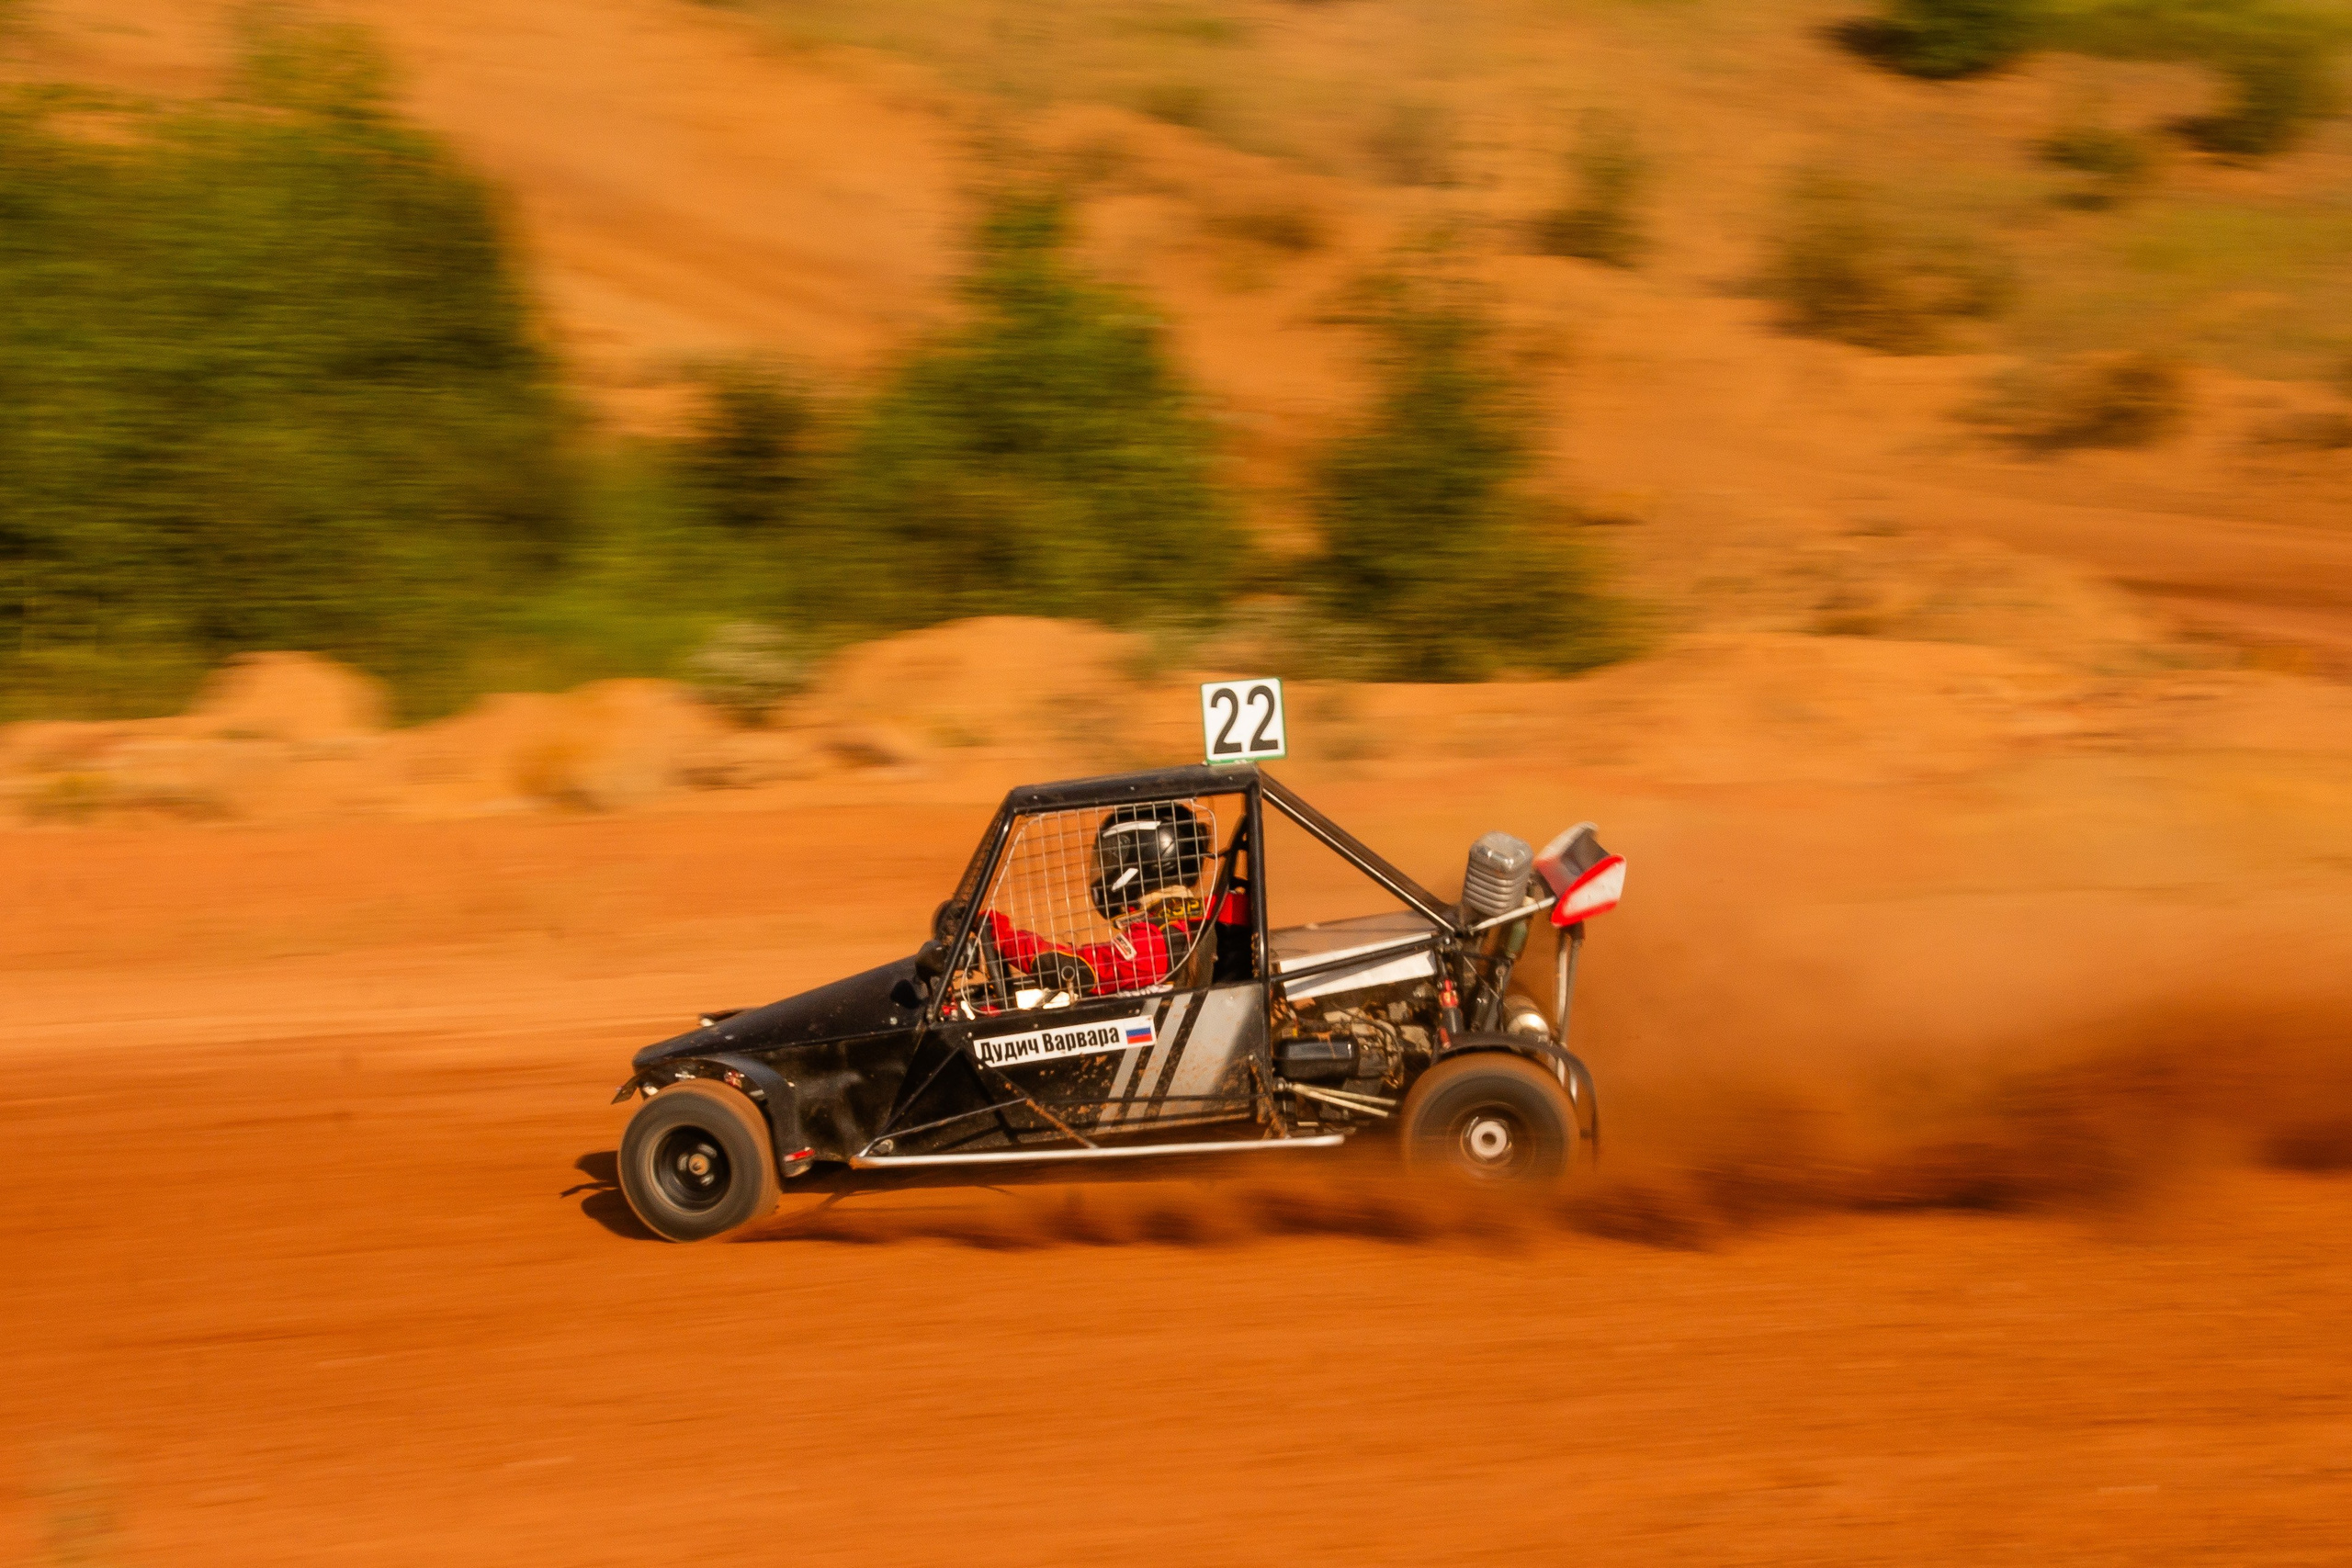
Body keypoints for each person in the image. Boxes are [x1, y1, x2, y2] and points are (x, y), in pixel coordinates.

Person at [981, 803, 1246, 999]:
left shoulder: (1158, 939)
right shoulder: (1183, 918)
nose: (1105, 870)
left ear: (1144, 859)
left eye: (1111, 859)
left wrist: (1002, 937)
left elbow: (1077, 970)